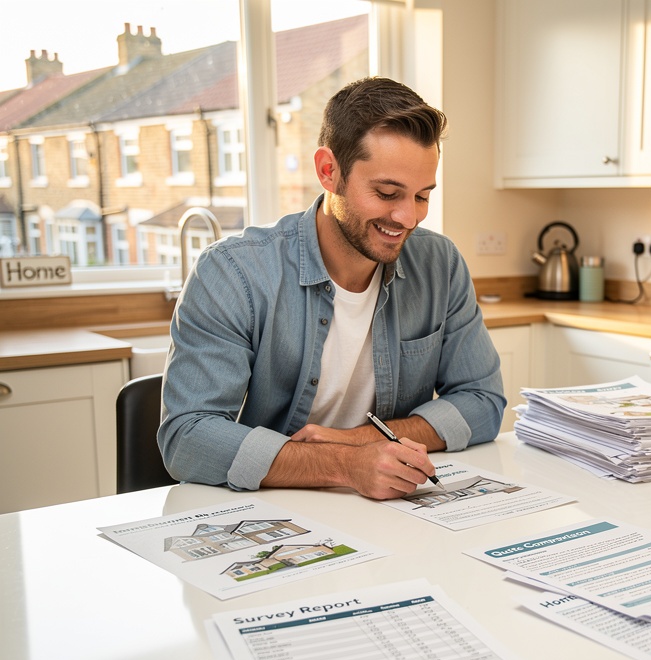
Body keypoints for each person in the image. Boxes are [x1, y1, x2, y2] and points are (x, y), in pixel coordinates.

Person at [158, 76, 505, 500]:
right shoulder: (233, 273)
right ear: (329, 171)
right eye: (387, 192)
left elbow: (483, 402)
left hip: (385, 511)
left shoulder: (439, 264)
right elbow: (188, 438)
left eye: (422, 196)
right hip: (274, 510)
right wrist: (344, 465)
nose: (408, 218)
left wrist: (359, 441)